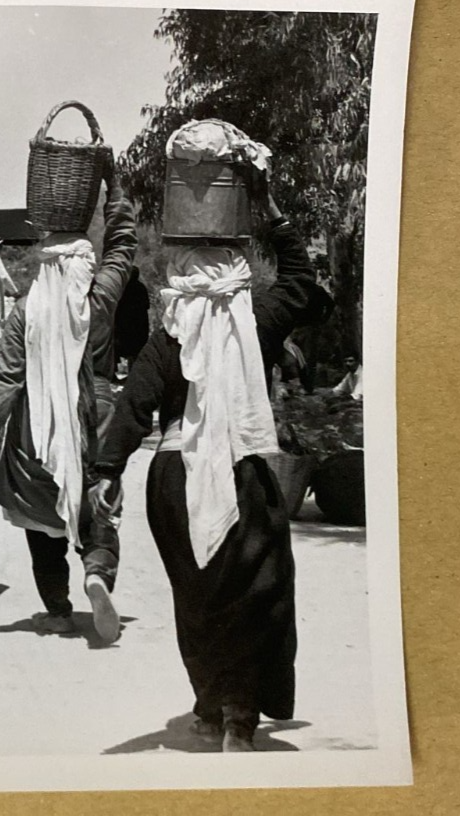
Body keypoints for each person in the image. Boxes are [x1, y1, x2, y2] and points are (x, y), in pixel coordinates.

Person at [89, 182, 320, 752]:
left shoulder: (167, 336)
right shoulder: (255, 322)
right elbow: (300, 282)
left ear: (181, 273)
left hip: (174, 479)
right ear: (235, 272)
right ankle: (240, 715)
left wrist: (106, 471)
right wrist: (273, 215)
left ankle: (212, 708)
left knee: (197, 599)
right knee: (257, 591)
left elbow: (134, 406)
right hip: (241, 475)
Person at [0, 159, 136, 642]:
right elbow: (123, 244)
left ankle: (58, 610)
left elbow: (6, 379)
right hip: (96, 417)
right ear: (85, 264)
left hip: (36, 427)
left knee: (41, 520)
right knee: (97, 506)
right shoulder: (101, 298)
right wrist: (115, 190)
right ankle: (97, 572)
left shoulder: (25, 312)